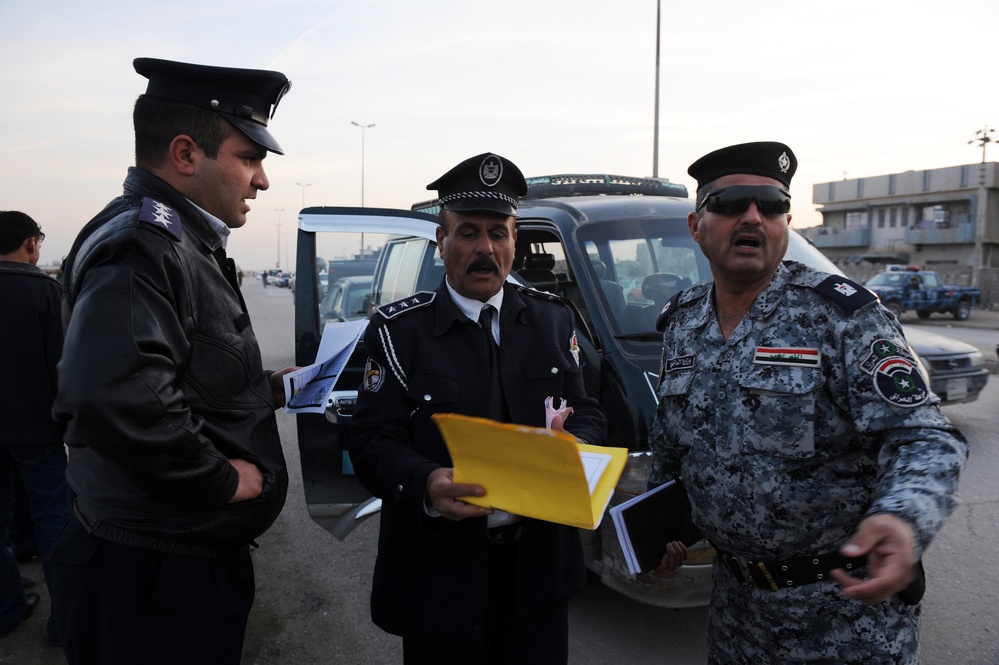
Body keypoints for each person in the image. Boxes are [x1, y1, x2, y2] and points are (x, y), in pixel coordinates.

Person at [648, 141, 968, 663]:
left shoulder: (843, 316)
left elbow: (925, 437)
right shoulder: (683, 322)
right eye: (730, 203)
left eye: (771, 205)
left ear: (786, 222)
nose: (753, 216)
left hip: (844, 616)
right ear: (696, 225)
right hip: (735, 611)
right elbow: (669, 443)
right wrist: (658, 527)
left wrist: (902, 518)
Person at [51, 58, 295, 664]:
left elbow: (174, 376)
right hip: (154, 575)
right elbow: (114, 395)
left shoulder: (182, 241)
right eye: (249, 157)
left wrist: (264, 389)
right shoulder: (145, 244)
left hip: (170, 563)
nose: (261, 181)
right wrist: (219, 479)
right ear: (186, 154)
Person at [349, 152, 607, 664]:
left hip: (537, 574)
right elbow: (371, 441)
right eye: (468, 232)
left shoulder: (553, 321)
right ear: (441, 242)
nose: (485, 248)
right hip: (441, 575)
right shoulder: (399, 333)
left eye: (499, 232)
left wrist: (575, 446)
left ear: (515, 241)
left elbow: (590, 412)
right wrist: (425, 482)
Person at [0, 211, 72, 645]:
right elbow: (64, 367)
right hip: (36, 430)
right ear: (30, 244)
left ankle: (6, 606)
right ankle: (65, 623)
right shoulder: (44, 292)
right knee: (55, 522)